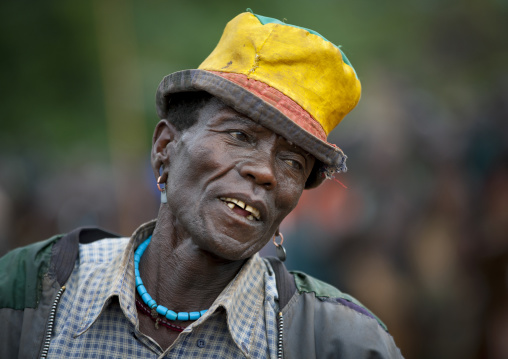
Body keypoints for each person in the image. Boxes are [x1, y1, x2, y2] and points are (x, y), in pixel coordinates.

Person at [0, 10, 403, 358]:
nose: (264, 172)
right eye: (240, 136)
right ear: (165, 148)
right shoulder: (30, 294)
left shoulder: (340, 343)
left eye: (293, 162)